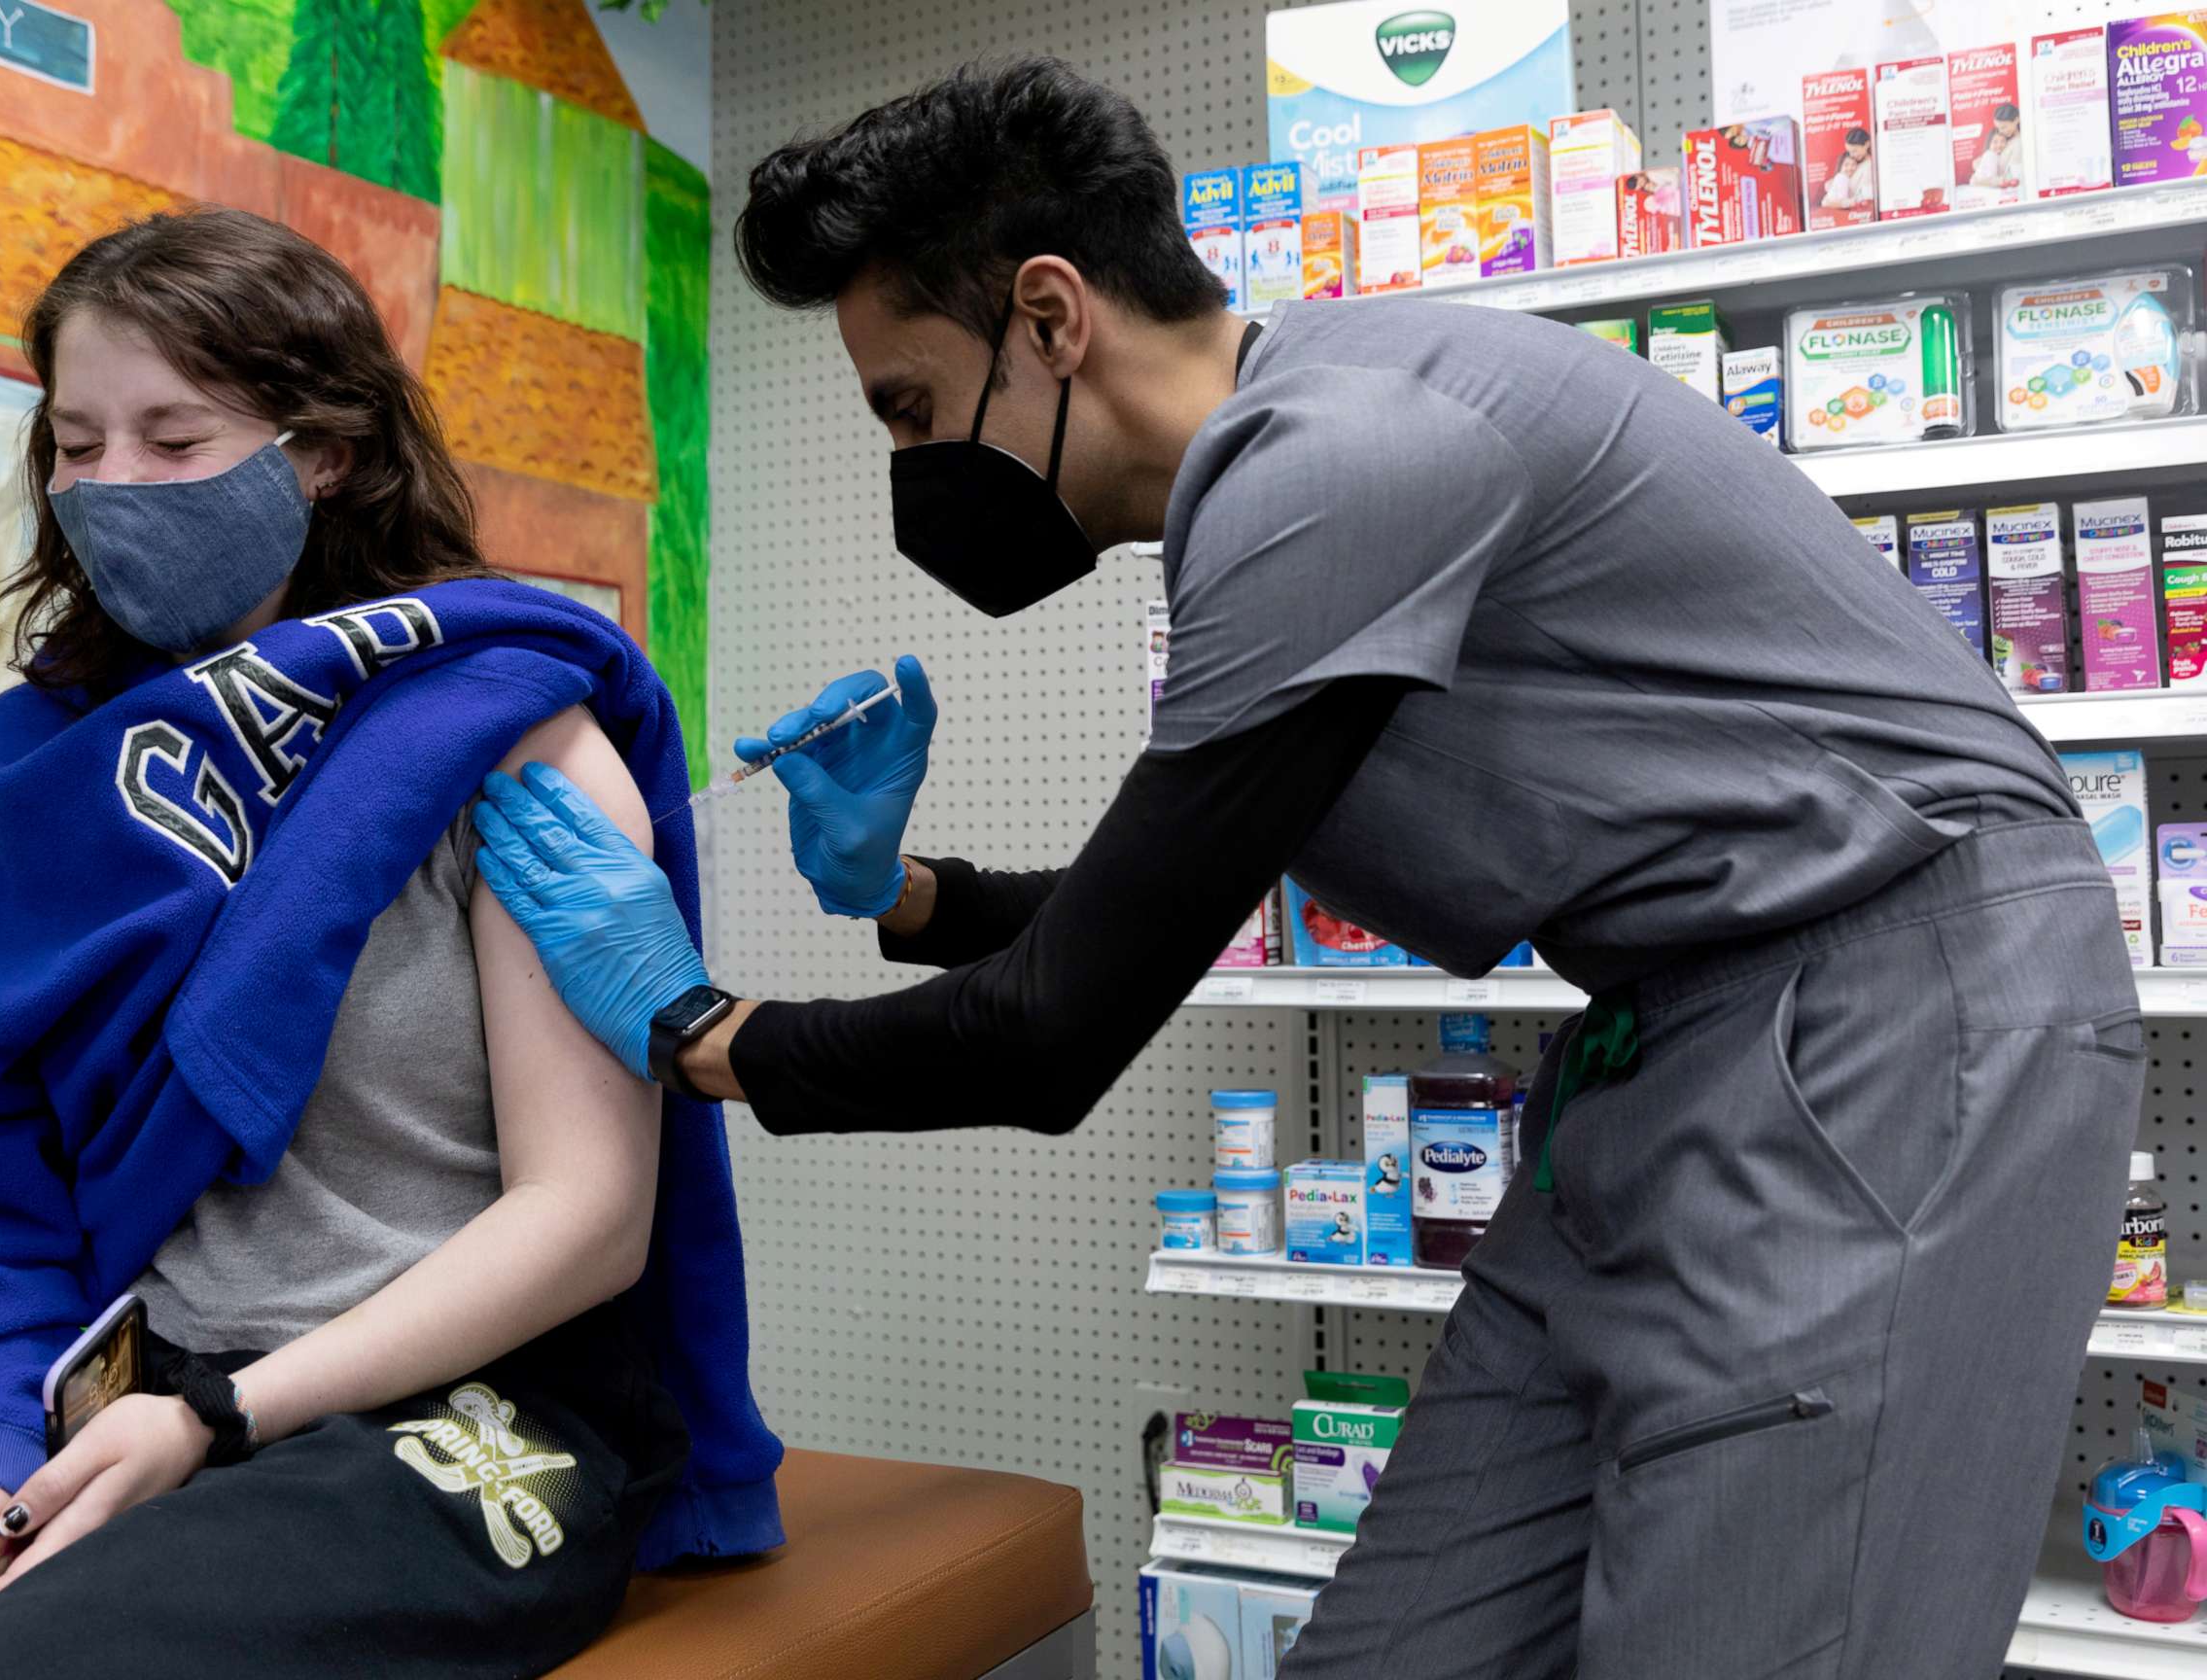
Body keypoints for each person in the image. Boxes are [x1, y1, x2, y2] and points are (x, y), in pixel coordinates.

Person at [473, 57, 2144, 1679]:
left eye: (910, 410)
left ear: (1051, 318)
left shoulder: (1333, 463)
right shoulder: (1284, 474)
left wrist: (696, 1032)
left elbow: (1059, 1033)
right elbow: (1167, 904)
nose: (913, 471)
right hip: (1673, 1042)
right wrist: (904, 895)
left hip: (1895, 1016)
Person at [0, 207, 779, 1679]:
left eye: (175, 440)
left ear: (320, 456)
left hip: (463, 1409)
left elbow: (587, 1217)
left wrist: (221, 1417)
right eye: (78, 445)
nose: (114, 486)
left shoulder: (510, 734)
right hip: (130, 1397)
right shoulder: (28, 777)